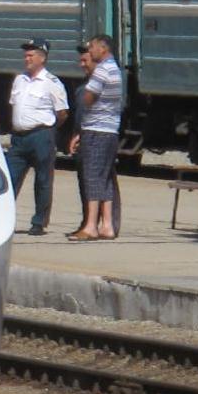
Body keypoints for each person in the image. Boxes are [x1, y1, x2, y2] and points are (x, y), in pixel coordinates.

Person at [6, 38, 69, 235]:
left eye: (31, 55)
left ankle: (39, 223)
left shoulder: (51, 83)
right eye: (26, 55)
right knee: (9, 179)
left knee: (42, 180)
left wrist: (48, 130)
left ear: (42, 58)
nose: (27, 59)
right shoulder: (19, 79)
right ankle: (4, 220)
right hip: (19, 138)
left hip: (41, 136)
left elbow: (62, 113)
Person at [69, 33, 123, 240]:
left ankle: (91, 225)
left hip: (96, 130)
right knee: (105, 177)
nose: (89, 51)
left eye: (92, 47)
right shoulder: (115, 69)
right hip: (110, 130)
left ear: (103, 48)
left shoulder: (102, 70)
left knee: (92, 175)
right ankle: (107, 225)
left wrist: (87, 100)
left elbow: (88, 98)